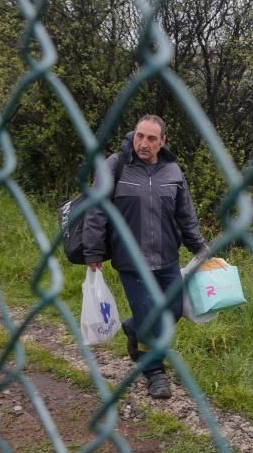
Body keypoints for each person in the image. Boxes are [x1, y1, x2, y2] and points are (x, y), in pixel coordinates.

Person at [83, 114, 207, 399]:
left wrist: (199, 246)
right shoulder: (115, 166)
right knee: (152, 318)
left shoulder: (173, 171)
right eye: (139, 135)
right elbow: (96, 210)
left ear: (163, 142)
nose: (143, 143)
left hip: (167, 259)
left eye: (151, 138)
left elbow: (185, 215)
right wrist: (93, 249)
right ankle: (154, 373)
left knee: (174, 311)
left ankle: (132, 327)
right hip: (131, 261)